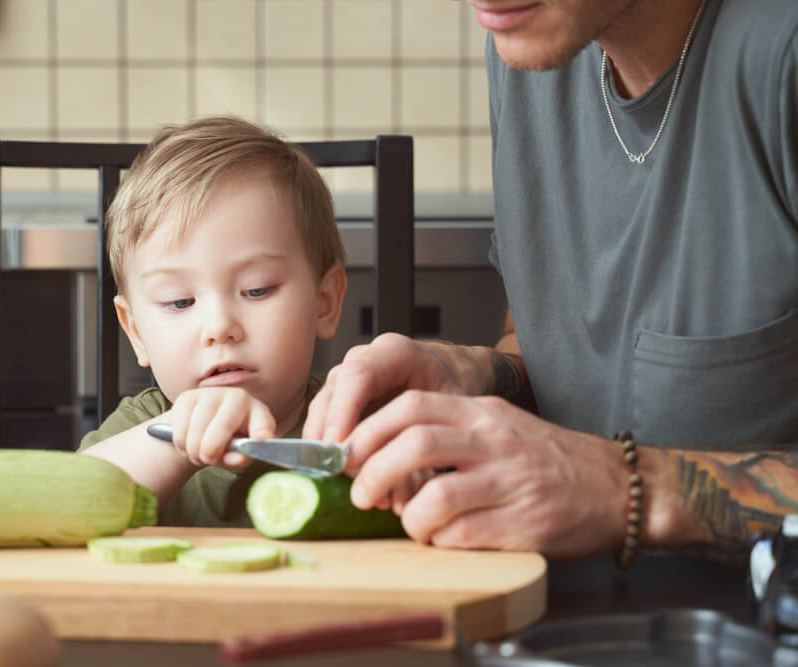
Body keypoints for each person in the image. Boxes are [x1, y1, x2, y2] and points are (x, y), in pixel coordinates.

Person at [303, 0, 798, 566]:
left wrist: (621, 489)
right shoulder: (530, 48)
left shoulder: (781, 53)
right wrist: (476, 373)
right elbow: (553, 357)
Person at [78, 116, 348, 527]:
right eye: (180, 300)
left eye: (256, 290)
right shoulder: (142, 425)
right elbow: (67, 501)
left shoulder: (351, 415)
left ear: (324, 303)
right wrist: (176, 438)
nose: (219, 327)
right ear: (136, 332)